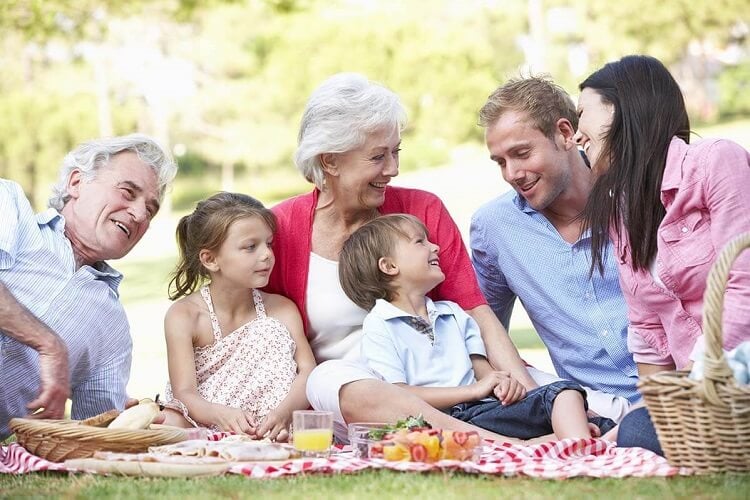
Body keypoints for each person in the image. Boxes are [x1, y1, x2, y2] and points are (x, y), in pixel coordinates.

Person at [266, 72, 540, 442]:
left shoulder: (421, 210)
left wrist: (528, 393)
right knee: (332, 380)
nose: (393, 169)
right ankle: (493, 443)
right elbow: (254, 331)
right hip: (354, 396)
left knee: (574, 397)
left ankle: (526, 431)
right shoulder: (281, 228)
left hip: (447, 382)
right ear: (330, 161)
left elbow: (476, 312)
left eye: (396, 152)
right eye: (378, 157)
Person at [574, 54, 750, 453]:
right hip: (698, 397)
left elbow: (743, 285)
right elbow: (647, 327)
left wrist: (698, 383)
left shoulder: (715, 162)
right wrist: (659, 410)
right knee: (634, 431)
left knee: (640, 434)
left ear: (623, 107)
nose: (576, 134)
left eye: (582, 112)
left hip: (738, 374)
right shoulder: (620, 211)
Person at [340, 214, 615, 440]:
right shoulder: (379, 325)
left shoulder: (453, 314)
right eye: (419, 242)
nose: (435, 247)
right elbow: (400, 394)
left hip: (489, 411)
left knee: (567, 394)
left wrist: (503, 384)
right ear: (389, 266)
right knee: (563, 401)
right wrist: (473, 391)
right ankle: (578, 453)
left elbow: (483, 371)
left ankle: (571, 443)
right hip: (444, 423)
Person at [470, 76, 638, 422]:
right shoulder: (494, 228)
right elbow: (484, 330)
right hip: (591, 408)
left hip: (677, 388)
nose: (513, 173)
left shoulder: (635, 195)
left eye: (521, 153)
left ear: (564, 134)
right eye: (500, 162)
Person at [0, 134, 177, 440]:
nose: (139, 214)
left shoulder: (113, 328)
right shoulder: (9, 206)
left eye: (151, 209)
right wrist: (49, 345)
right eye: (127, 192)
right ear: (76, 183)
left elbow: (95, 425)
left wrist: (124, 420)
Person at [160, 192, 316, 441]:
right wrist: (221, 415)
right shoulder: (185, 316)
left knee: (271, 331)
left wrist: (283, 413)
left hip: (272, 424)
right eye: (250, 247)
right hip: (207, 418)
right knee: (169, 422)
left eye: (269, 243)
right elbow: (184, 393)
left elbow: (308, 371)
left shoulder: (281, 310)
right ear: (210, 259)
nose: (266, 254)